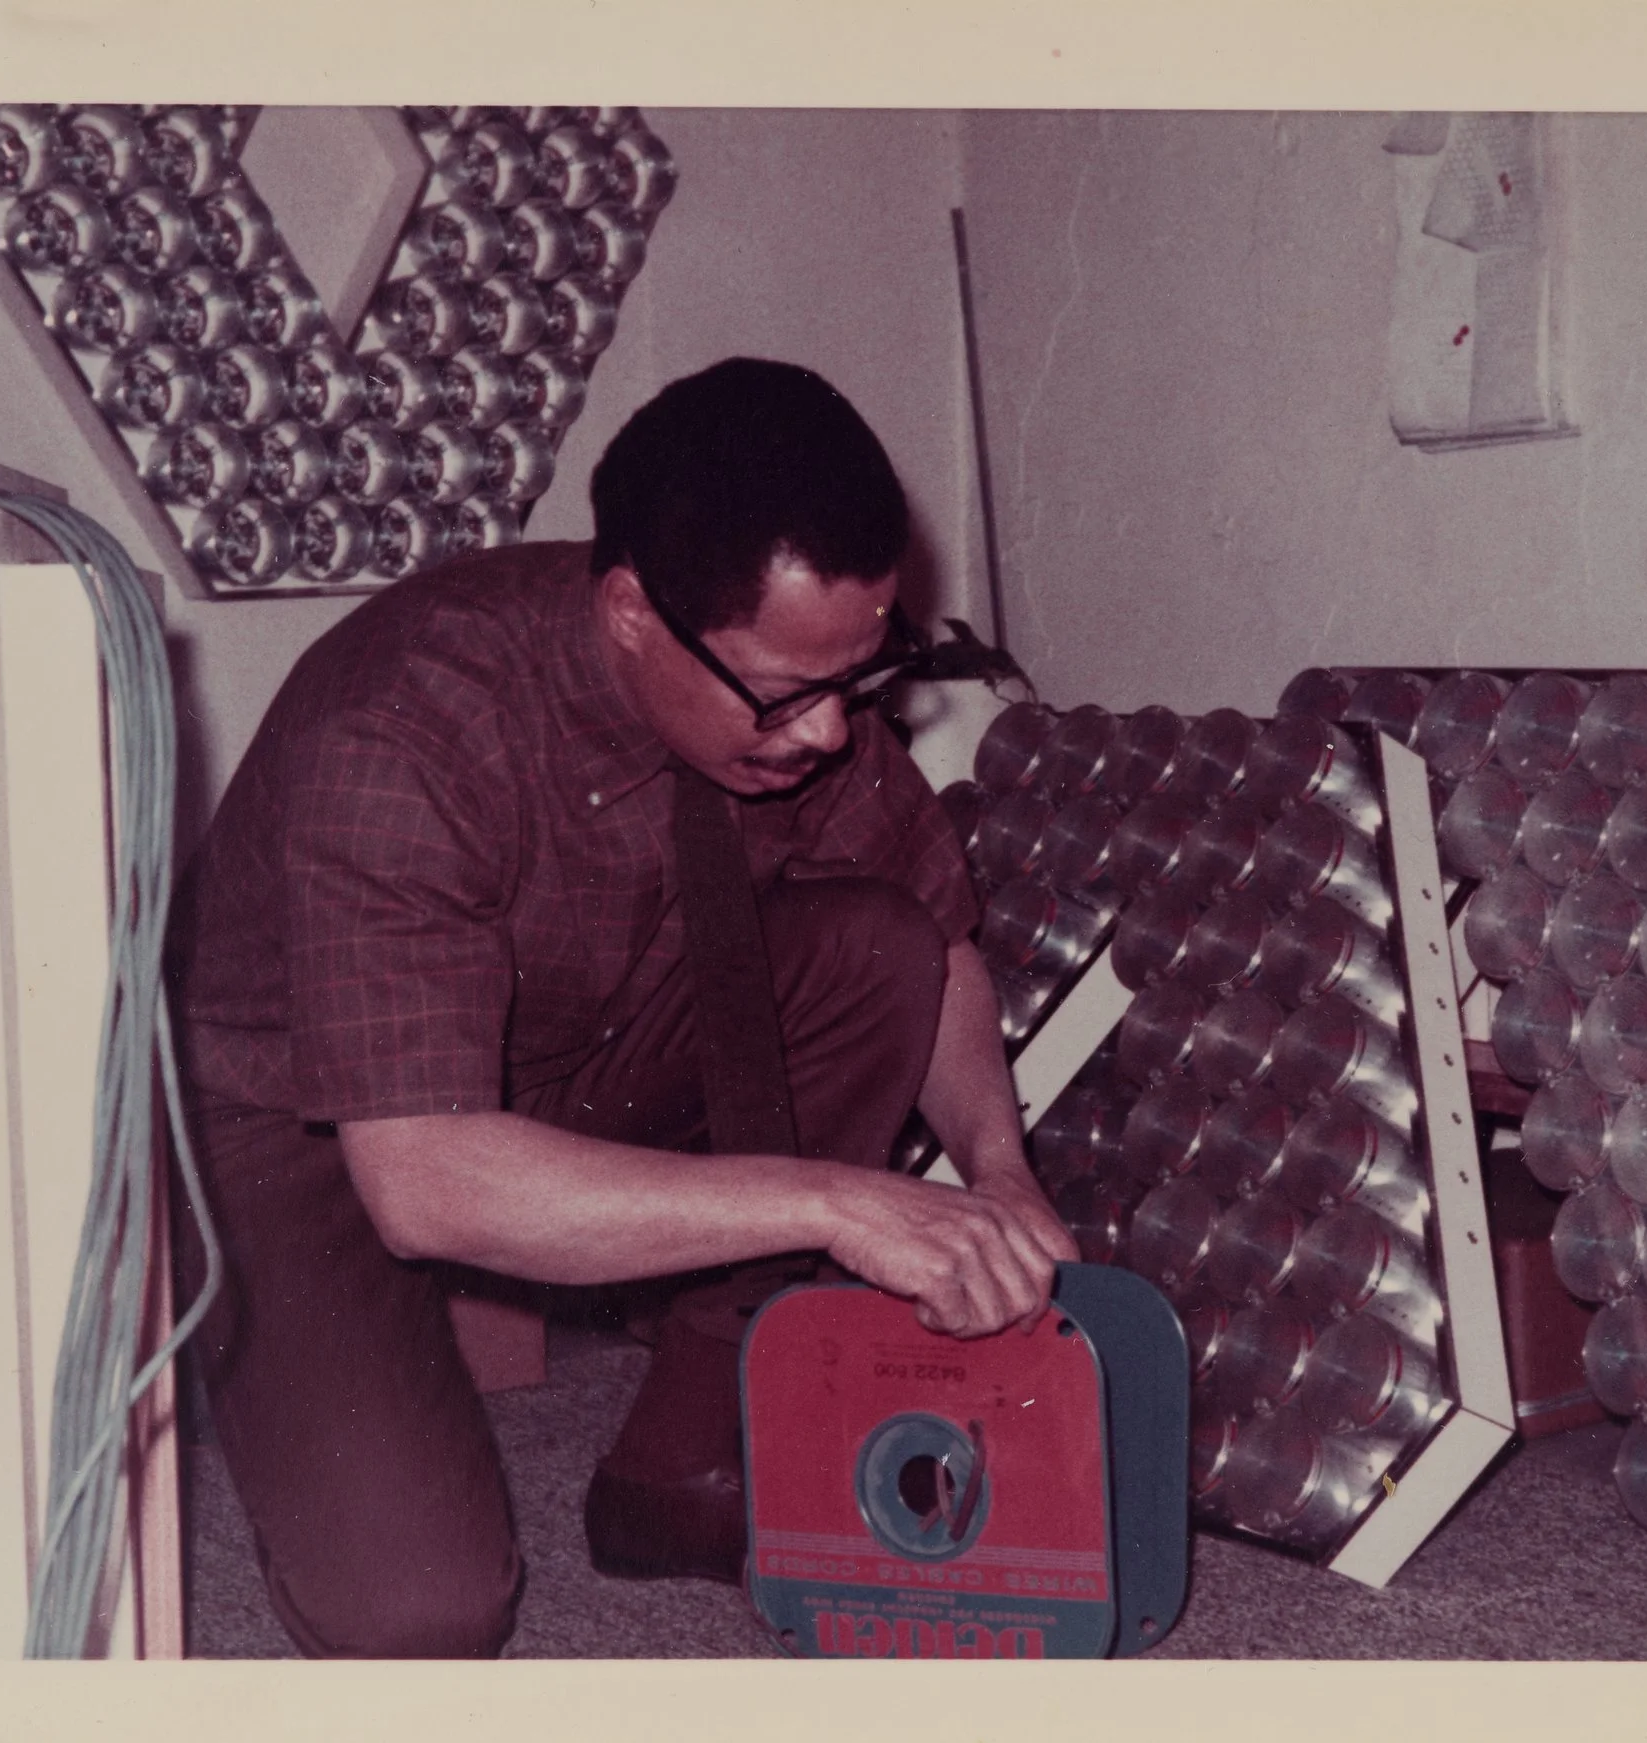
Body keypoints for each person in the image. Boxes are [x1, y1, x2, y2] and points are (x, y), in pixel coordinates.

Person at [166, 357, 1075, 1658]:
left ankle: (681, 1456)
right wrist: (834, 1199)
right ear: (633, 612)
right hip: (304, 1136)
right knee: (420, 1611)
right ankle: (285, 1367)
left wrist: (999, 1168)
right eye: (786, 693)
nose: (827, 735)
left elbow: (938, 947)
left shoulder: (780, 688)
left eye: (858, 681)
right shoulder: (403, 730)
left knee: (876, 948)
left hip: (559, 1063)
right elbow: (425, 1182)